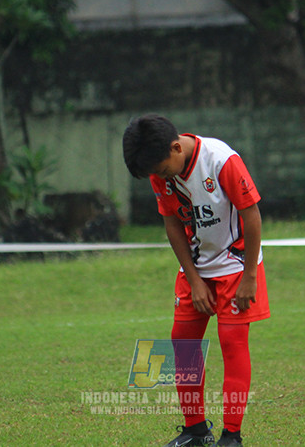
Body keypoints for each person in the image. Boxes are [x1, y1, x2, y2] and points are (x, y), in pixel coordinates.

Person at [123, 114, 269, 447]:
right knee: (183, 343)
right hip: (196, 266)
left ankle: (231, 436)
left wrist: (249, 277)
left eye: (162, 171)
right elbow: (172, 224)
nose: (161, 178)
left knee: (232, 344)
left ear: (176, 148)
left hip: (236, 265)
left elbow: (251, 215)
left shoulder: (221, 161)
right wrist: (194, 279)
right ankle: (195, 431)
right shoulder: (160, 170)